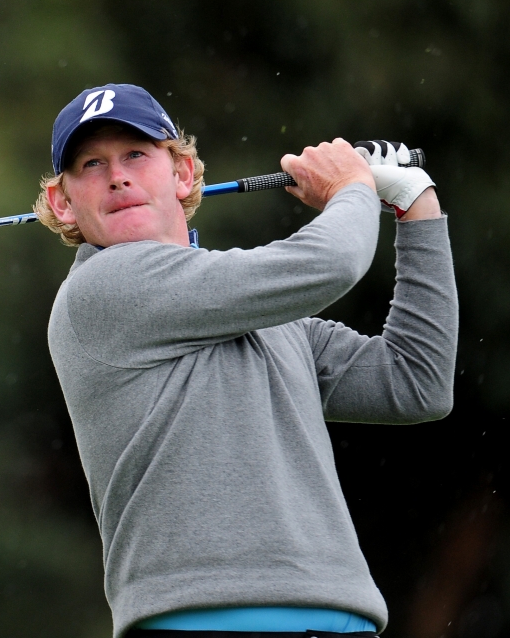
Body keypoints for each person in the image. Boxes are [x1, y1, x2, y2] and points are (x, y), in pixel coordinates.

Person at [34, 83, 458, 638]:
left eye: (136, 154)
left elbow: (415, 382)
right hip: (201, 623)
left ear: (183, 174)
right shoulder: (102, 290)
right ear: (63, 202)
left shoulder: (263, 313)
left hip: (341, 623)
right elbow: (330, 262)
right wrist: (352, 186)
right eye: (91, 164)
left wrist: (417, 208)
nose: (117, 175)